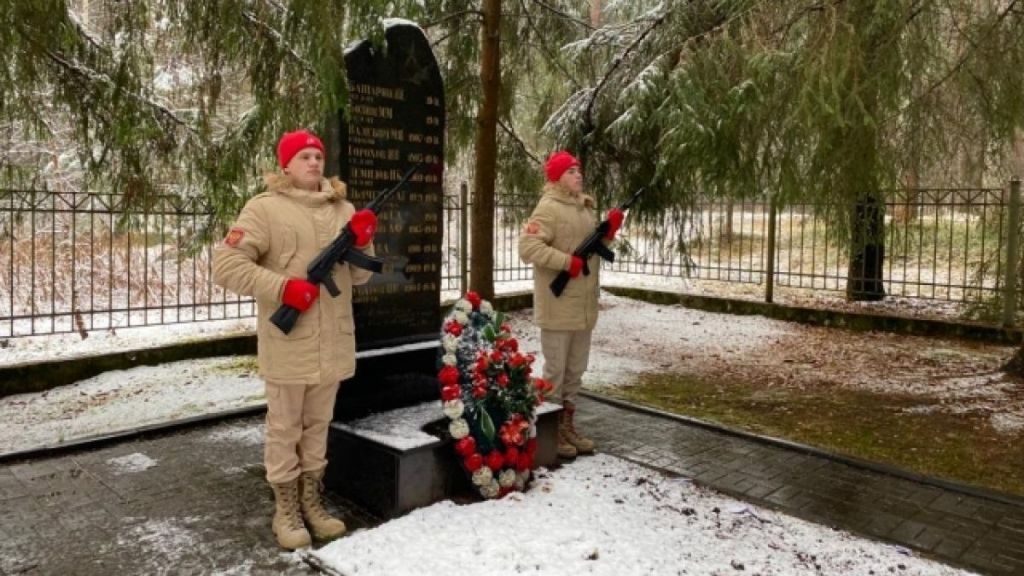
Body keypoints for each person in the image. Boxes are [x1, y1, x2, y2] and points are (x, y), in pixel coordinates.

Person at [212, 130, 378, 550]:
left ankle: (312, 503)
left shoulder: (344, 208)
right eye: (303, 156)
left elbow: (360, 275)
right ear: (285, 165)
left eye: (318, 155)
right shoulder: (264, 209)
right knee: (285, 427)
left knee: (318, 425)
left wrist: (362, 239)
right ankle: (285, 509)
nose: (313, 163)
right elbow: (226, 265)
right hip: (290, 340)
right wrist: (282, 288)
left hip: (333, 339)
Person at [517, 151, 624, 459]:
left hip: (583, 305)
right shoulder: (549, 208)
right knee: (556, 373)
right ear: (557, 177)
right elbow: (528, 246)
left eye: (579, 170)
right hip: (558, 304)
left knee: (575, 371)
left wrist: (609, 232)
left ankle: (567, 426)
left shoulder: (583, 208)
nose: (579, 175)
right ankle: (550, 432)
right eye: (571, 171)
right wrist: (566, 262)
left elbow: (589, 251)